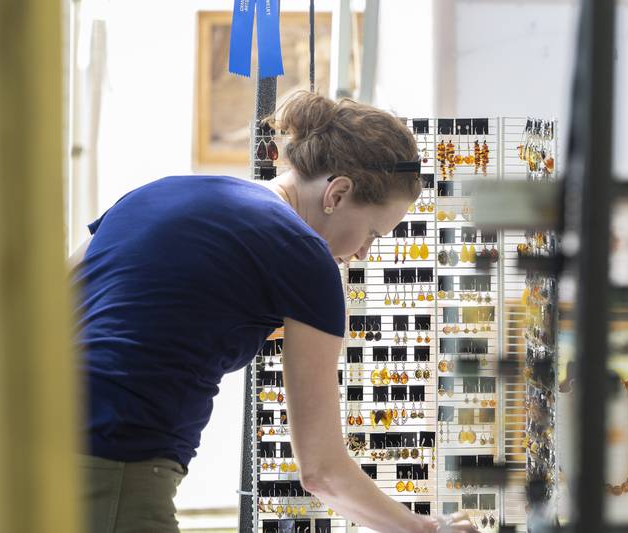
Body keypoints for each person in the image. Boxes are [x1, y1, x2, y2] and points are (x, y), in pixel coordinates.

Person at [72, 91, 478, 533]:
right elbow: (322, 470)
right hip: (114, 460)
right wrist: (425, 529)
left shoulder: (161, 191)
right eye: (372, 234)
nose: (362, 253)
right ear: (337, 194)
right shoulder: (304, 256)